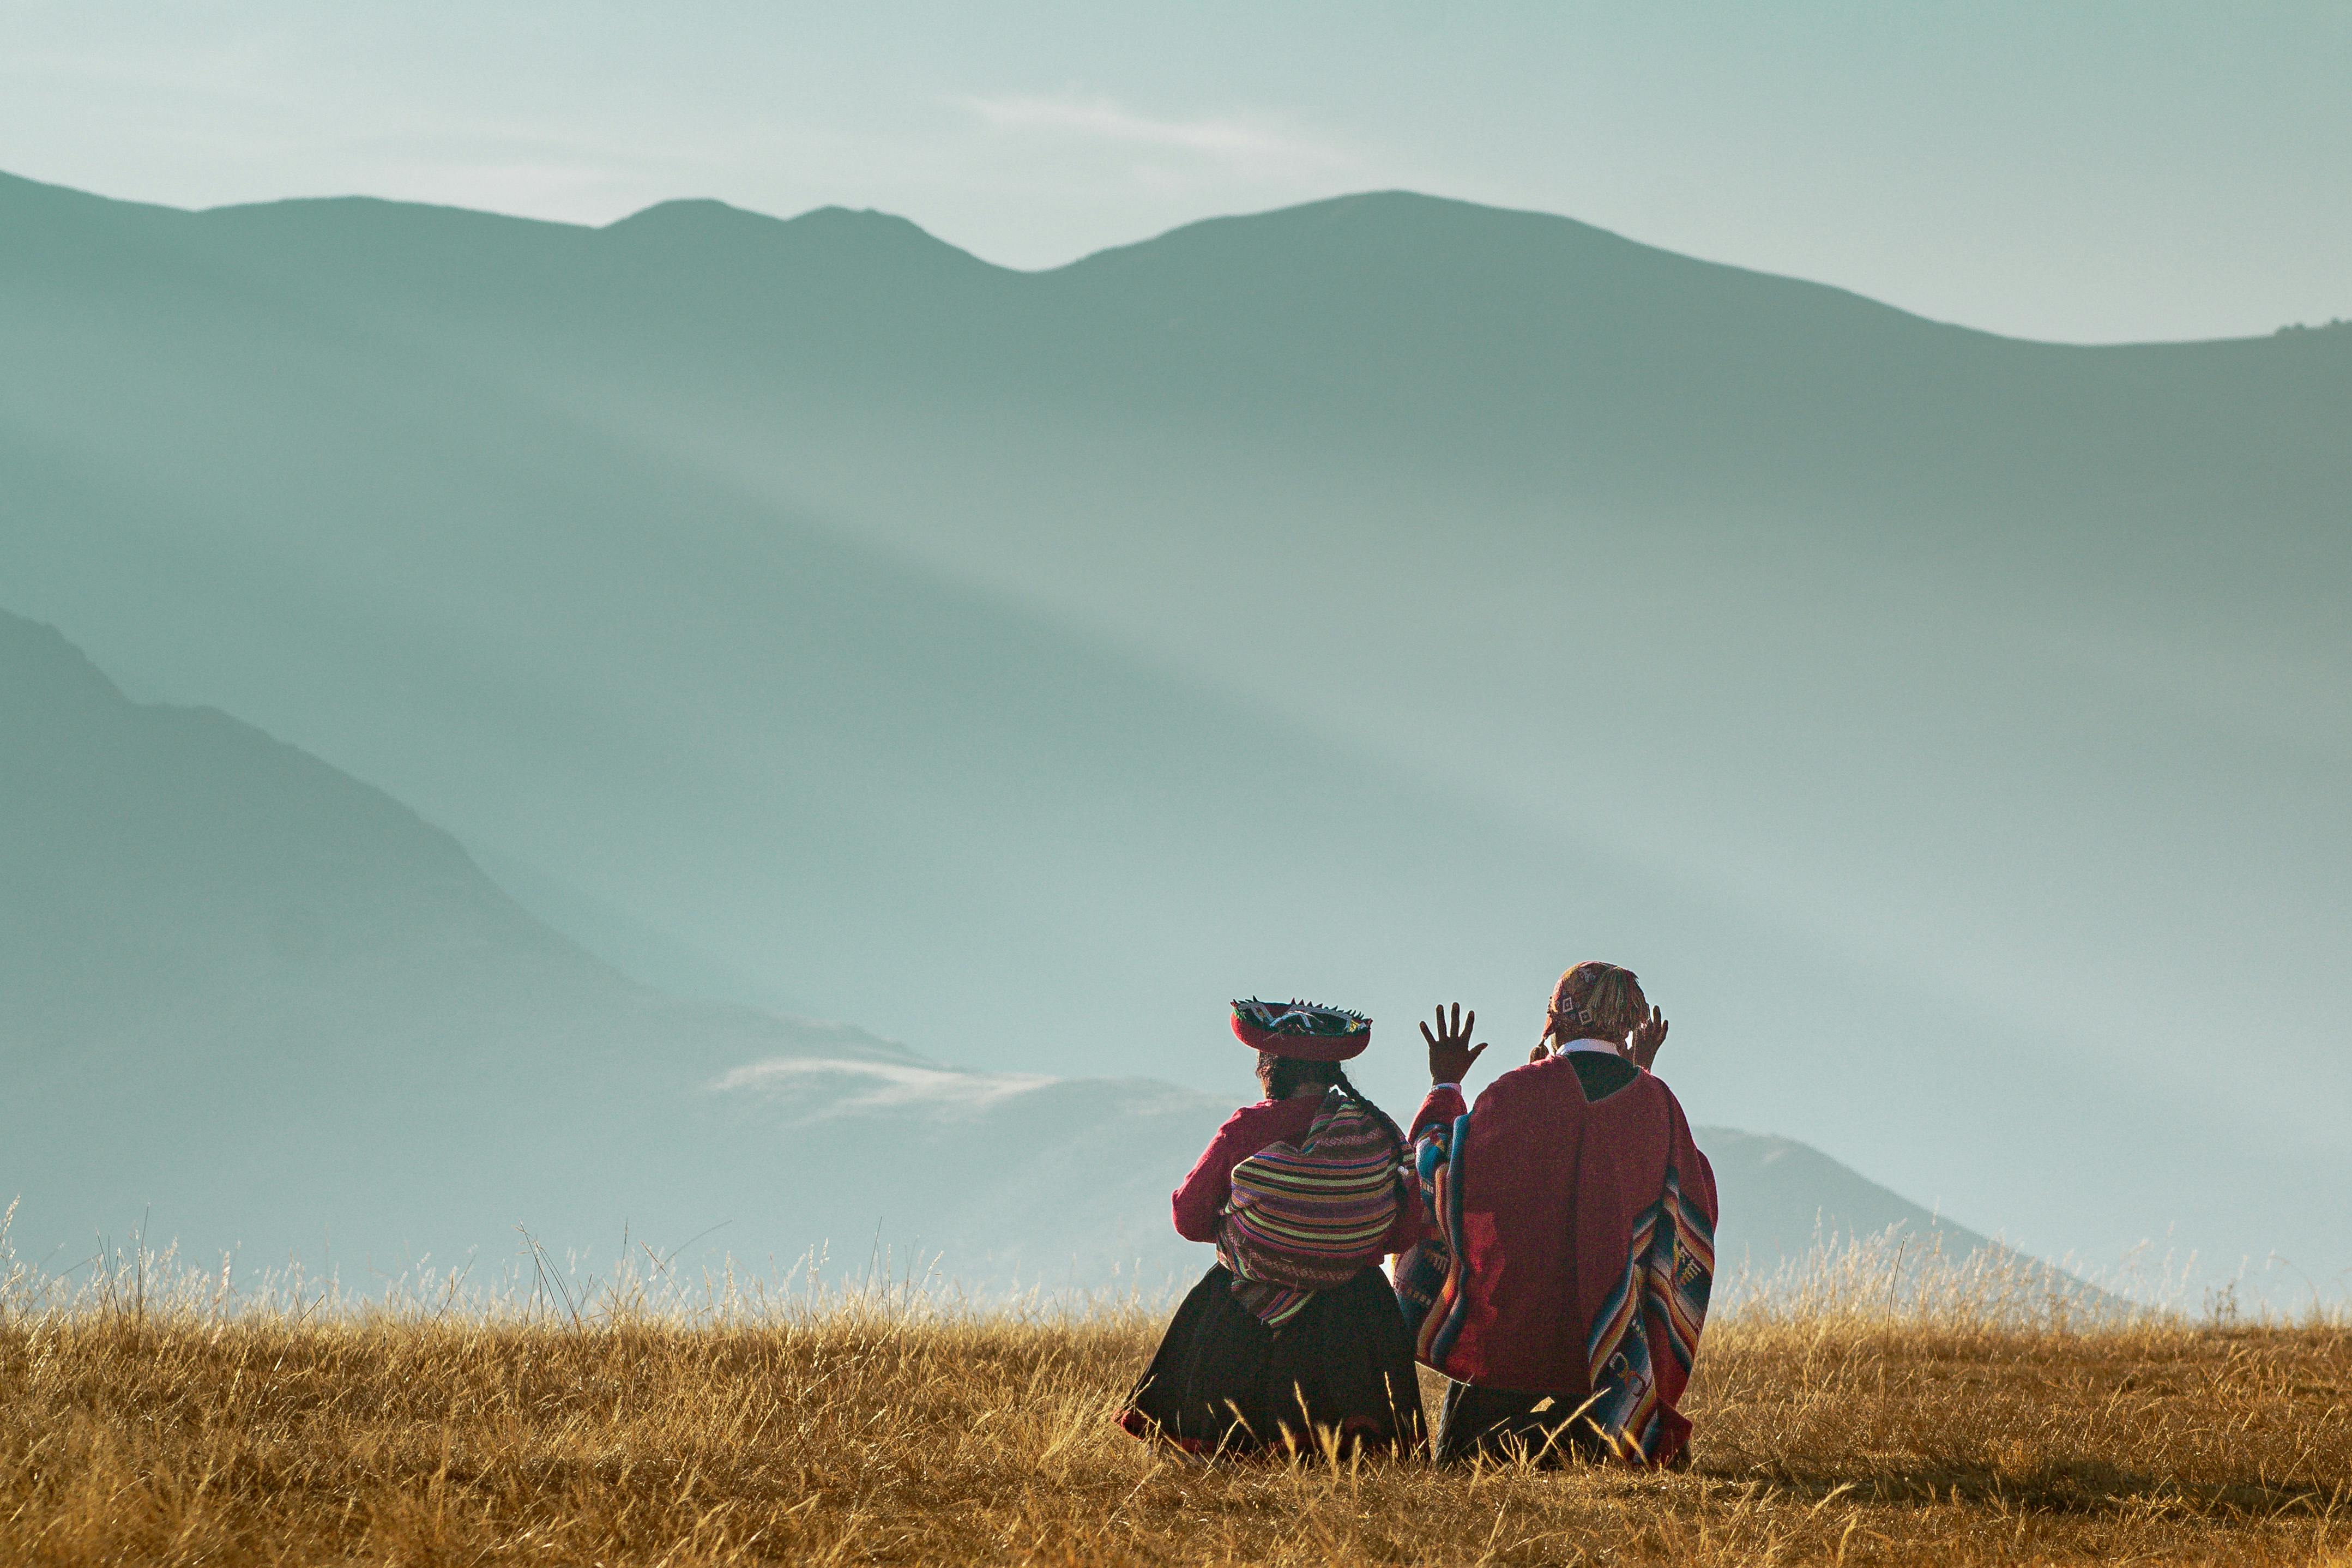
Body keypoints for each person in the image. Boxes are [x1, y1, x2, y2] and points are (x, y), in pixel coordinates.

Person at [1395, 962, 1718, 1468]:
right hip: (1612, 1344)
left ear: (1556, 1018)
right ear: (1626, 1024)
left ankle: (1543, 1447)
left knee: (1456, 1462)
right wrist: (1644, 1076)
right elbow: (1691, 1196)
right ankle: (1605, 1437)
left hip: (1513, 1330)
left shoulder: (1516, 1092)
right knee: (1596, 1435)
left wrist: (1445, 1085)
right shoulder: (1657, 1104)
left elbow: (1446, 1175)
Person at [1118, 999, 1427, 1457]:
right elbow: (1403, 1233)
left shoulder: (1247, 1130)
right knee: (1358, 1464)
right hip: (1355, 1311)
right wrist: (1335, 1239)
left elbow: (1189, 1217)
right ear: (1332, 1071)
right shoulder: (1377, 1132)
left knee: (1221, 1452)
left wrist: (1259, 1238)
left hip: (1247, 1305)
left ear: (1270, 1068)